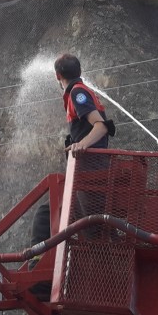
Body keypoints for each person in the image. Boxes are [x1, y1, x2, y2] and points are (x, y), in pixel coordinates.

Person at [29, 53, 115, 260]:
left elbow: (101, 126)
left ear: (57, 75)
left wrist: (81, 145)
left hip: (91, 171)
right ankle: (39, 264)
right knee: (47, 214)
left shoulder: (77, 93)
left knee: (91, 229)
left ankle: (100, 267)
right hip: (87, 170)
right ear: (80, 72)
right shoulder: (78, 92)